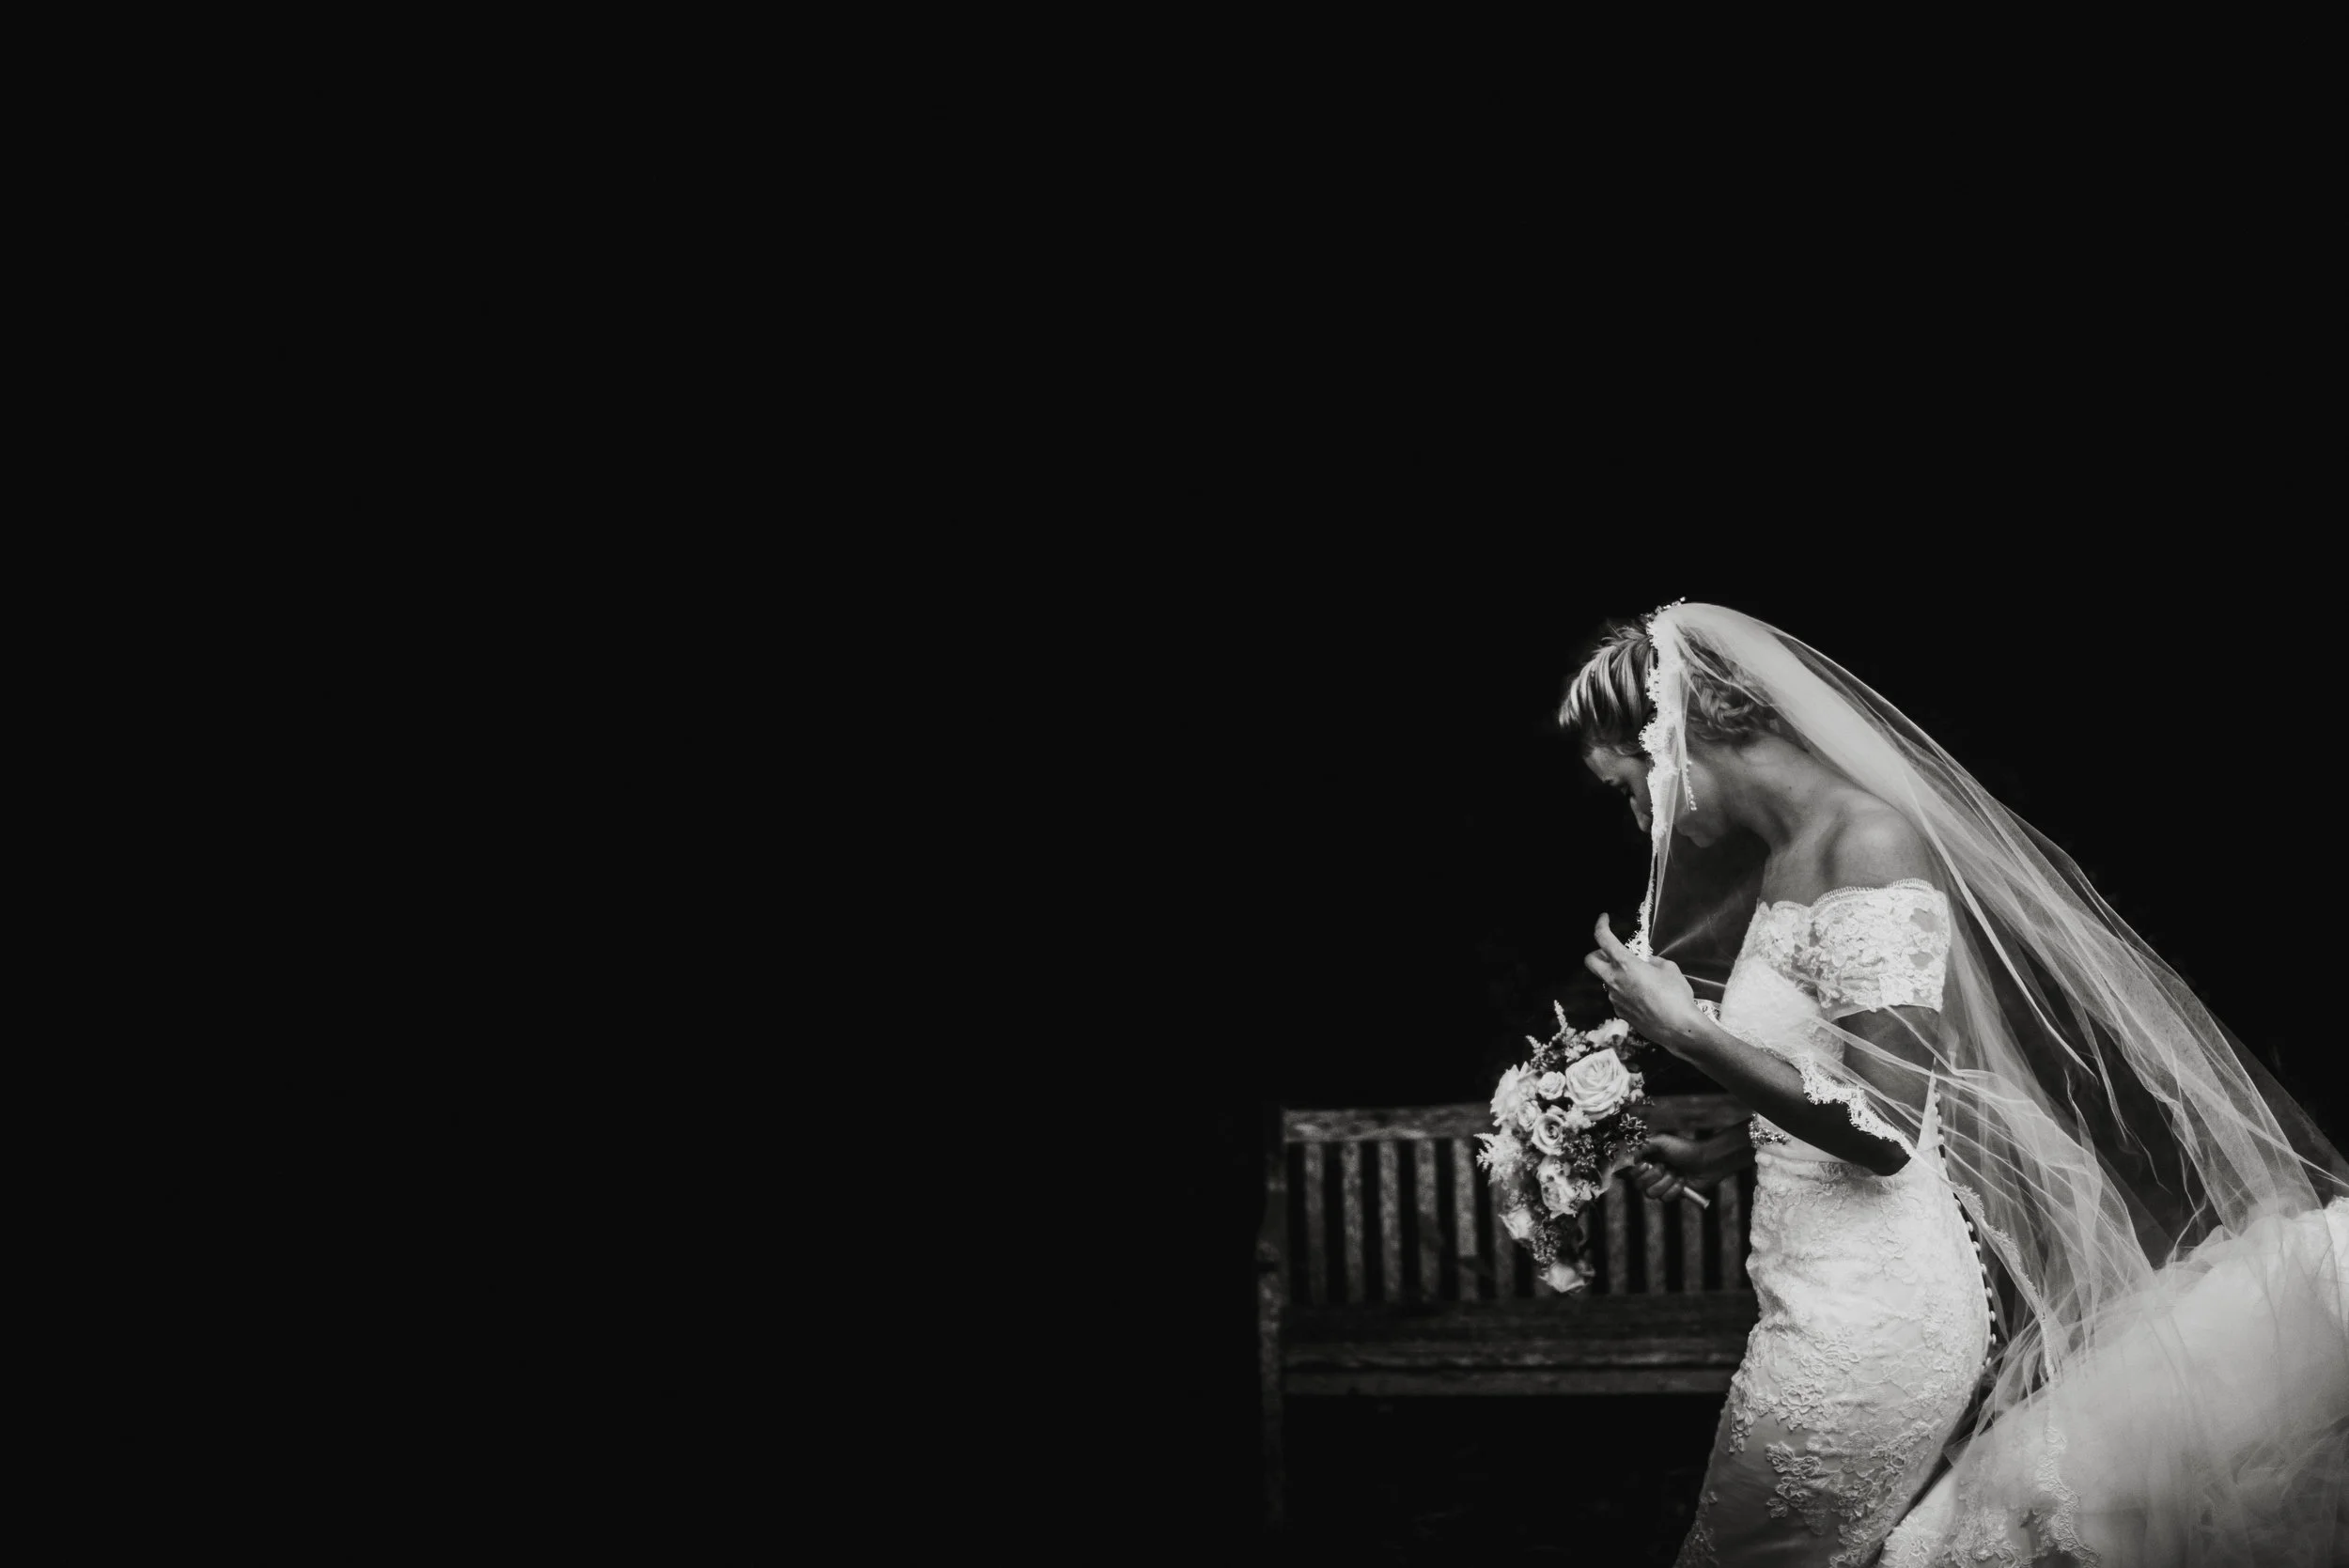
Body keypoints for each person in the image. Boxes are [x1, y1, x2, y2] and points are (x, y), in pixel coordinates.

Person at [1557, 604, 2348, 1568]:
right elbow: (1866, 1078)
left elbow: (1885, 1125)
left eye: (1628, 784)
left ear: (1676, 736)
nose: (1638, 814)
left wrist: (1683, 1027)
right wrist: (1726, 1148)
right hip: (1820, 1288)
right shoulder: (1789, 857)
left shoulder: (1867, 841)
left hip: (1867, 1316)